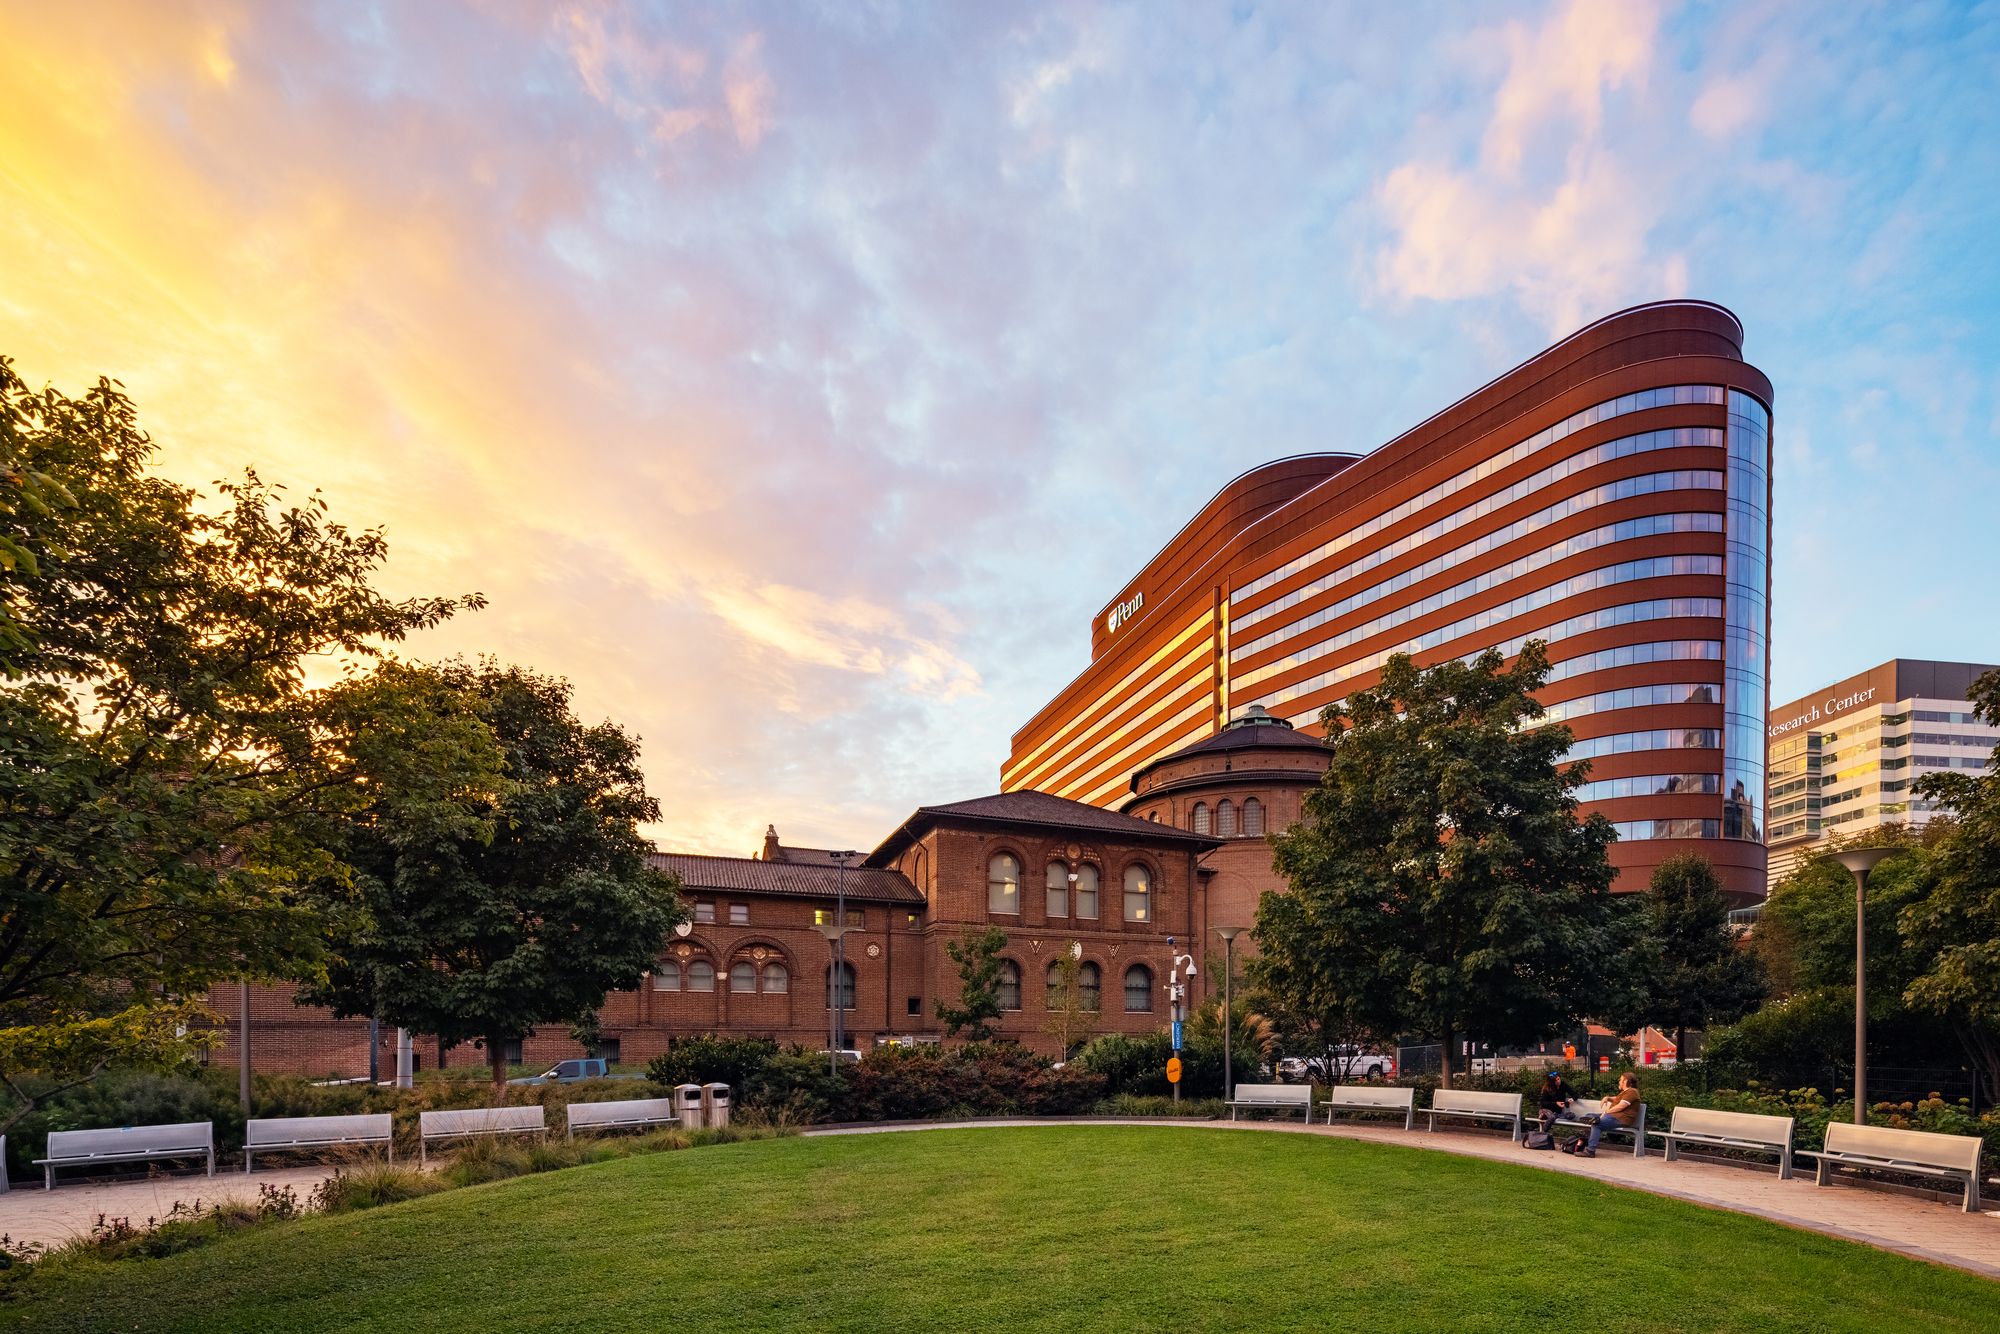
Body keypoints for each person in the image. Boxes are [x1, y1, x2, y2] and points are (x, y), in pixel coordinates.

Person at [1565, 1072, 1640, 1157]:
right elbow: (1617, 1099)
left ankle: (1590, 1151)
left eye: (1620, 1079)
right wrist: (1608, 1098)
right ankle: (1594, 1120)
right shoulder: (1626, 1092)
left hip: (1620, 1118)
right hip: (1613, 1116)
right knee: (1590, 1115)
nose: (1619, 1081)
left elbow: (1621, 1106)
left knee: (1596, 1125)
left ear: (1625, 1081)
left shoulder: (1632, 1091)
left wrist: (1606, 1112)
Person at [1536, 1069, 1577, 1136]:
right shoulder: (1547, 1089)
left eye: (1558, 1079)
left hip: (1557, 1113)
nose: (1558, 1081)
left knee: (1571, 1115)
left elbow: (1575, 1094)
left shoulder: (1563, 1085)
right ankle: (1542, 1134)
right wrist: (1555, 1103)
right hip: (1546, 1109)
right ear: (1552, 1082)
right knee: (1551, 1117)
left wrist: (1571, 1099)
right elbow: (1543, 1103)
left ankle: (1545, 1117)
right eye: (1555, 1081)